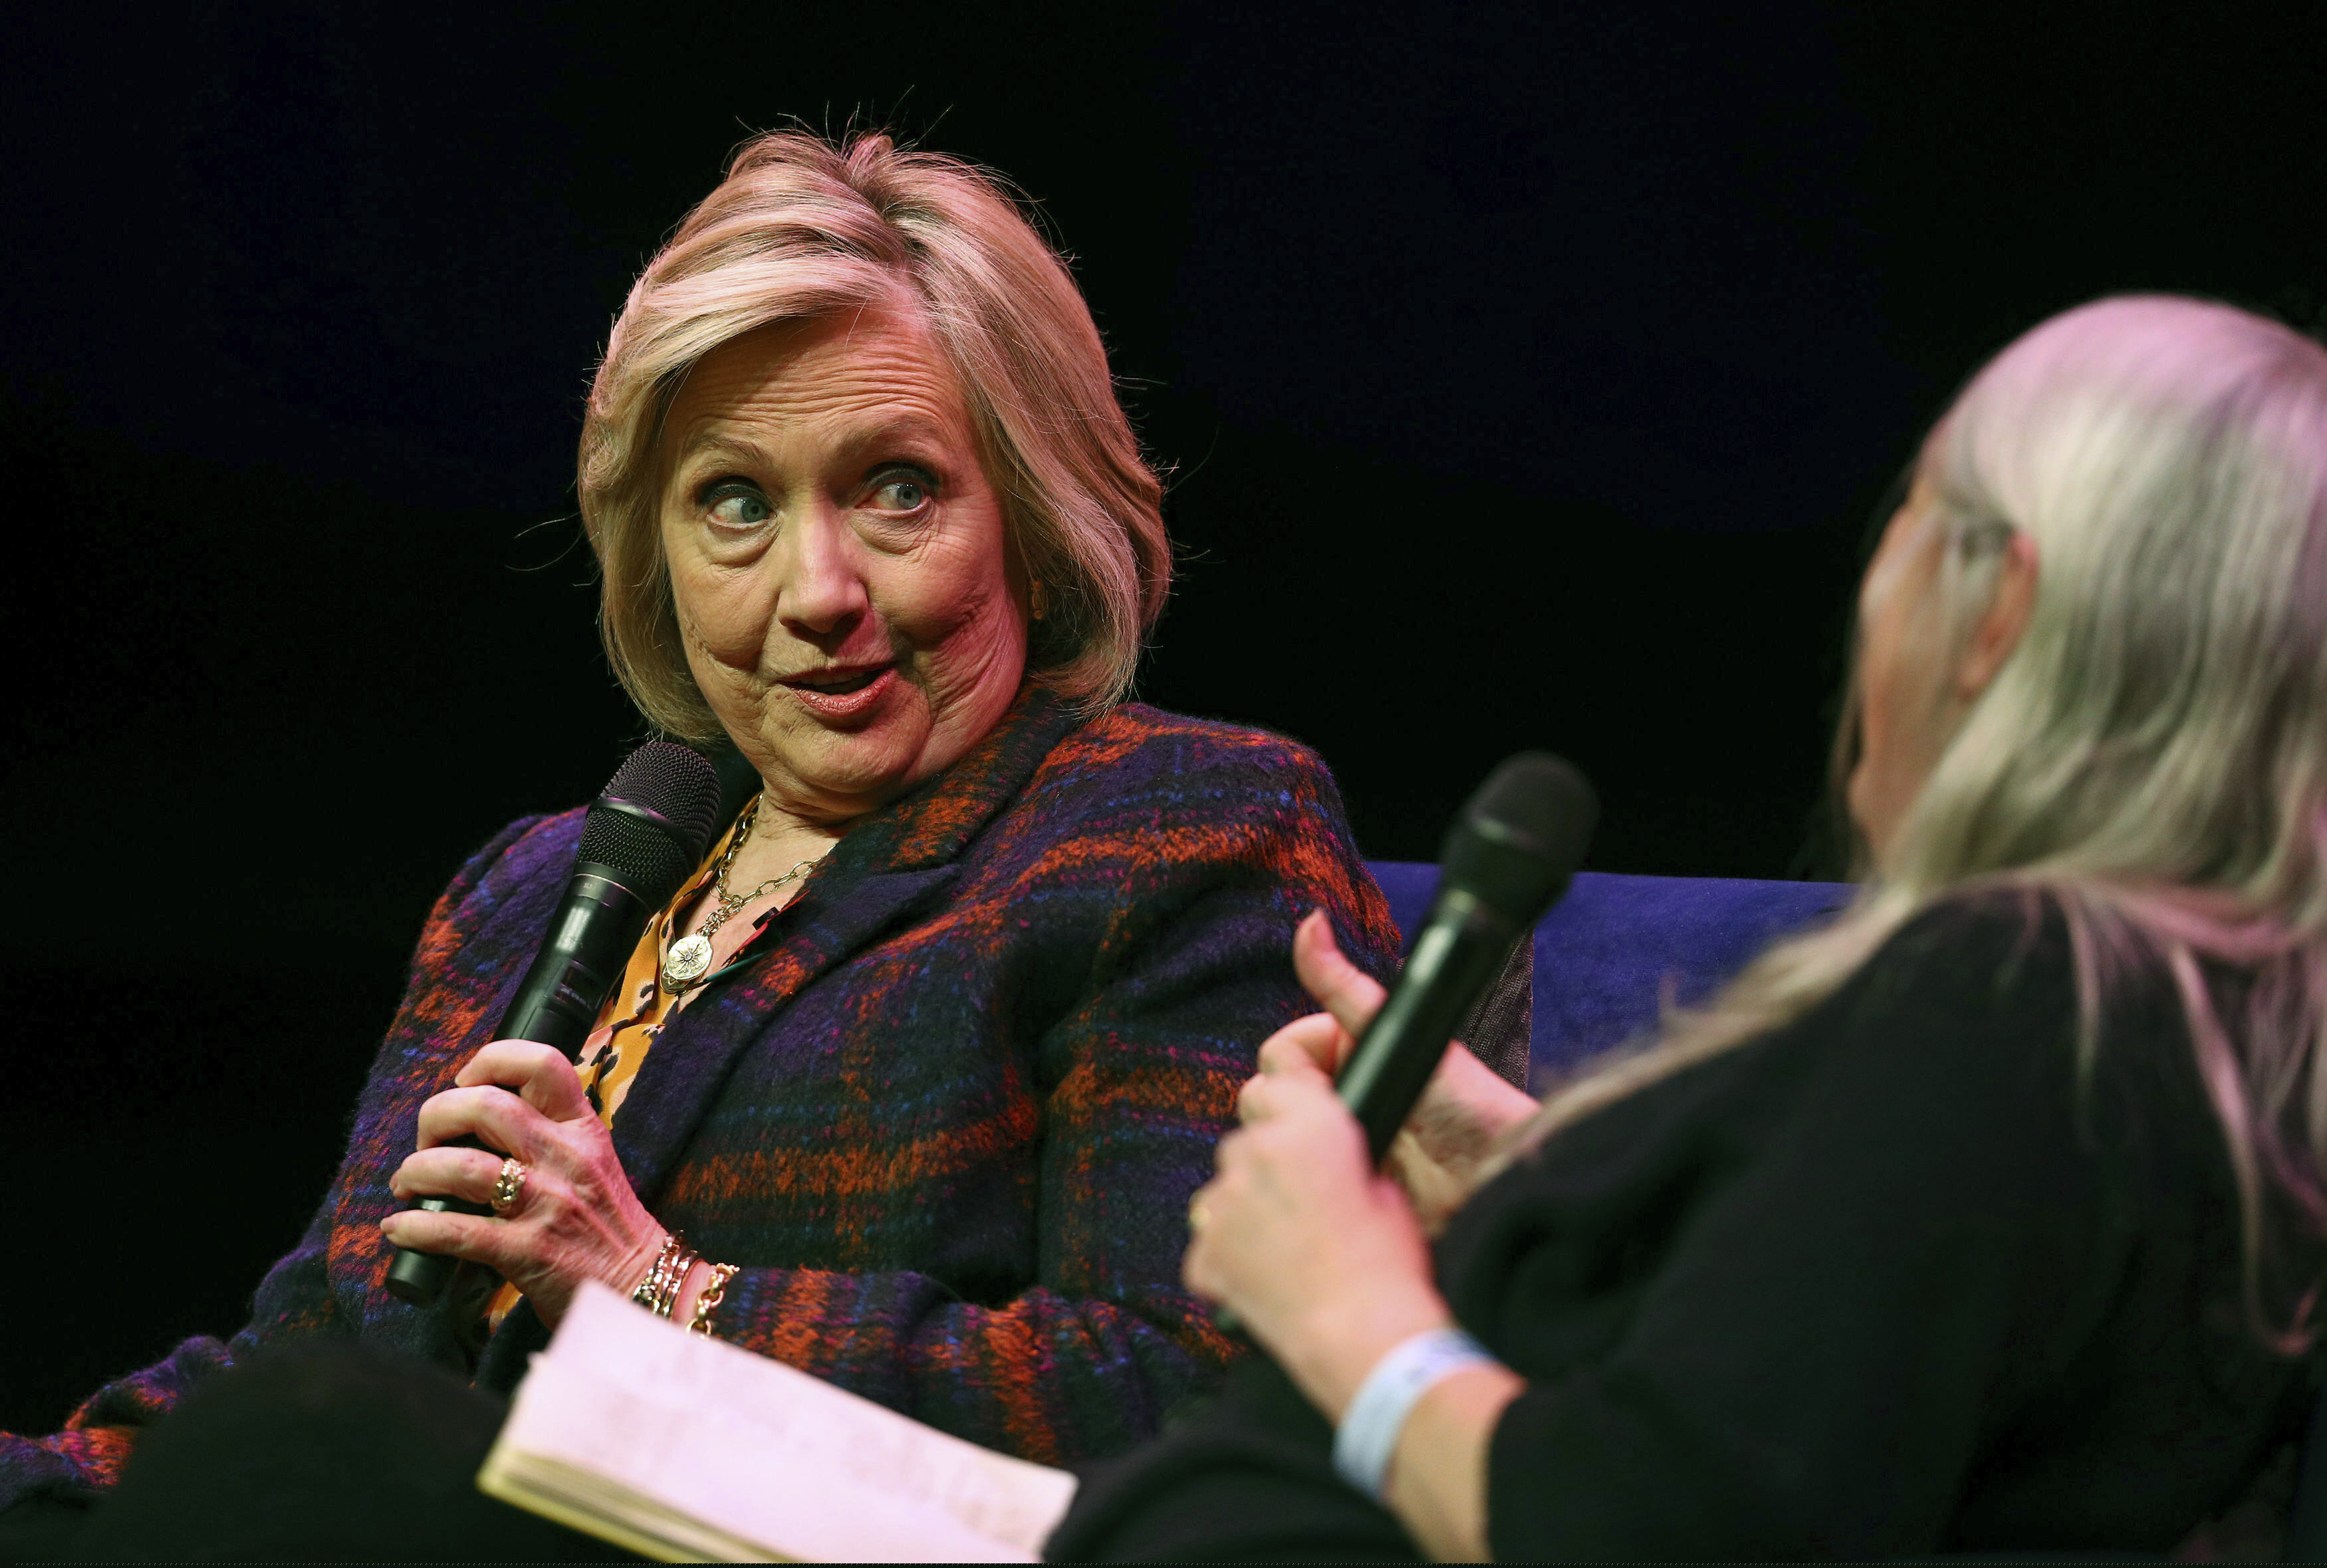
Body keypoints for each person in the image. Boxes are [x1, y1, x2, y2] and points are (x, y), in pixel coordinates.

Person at [0, 130, 1431, 1543]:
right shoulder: (530, 890)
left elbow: (1197, 1399)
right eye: (736, 502)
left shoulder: (1172, 831)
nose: (818, 589)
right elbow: (311, 1359)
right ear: (658, 556)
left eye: (897, 488)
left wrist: (655, 1291)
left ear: (1036, 520)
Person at [1048, 294, 2327, 1561]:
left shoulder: (2005, 1002)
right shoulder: (2196, 1038)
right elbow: (1838, 1347)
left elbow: (1644, 1522)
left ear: (1998, 613)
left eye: (1913, 516)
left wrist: (1339, 1295)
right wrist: (1522, 1166)